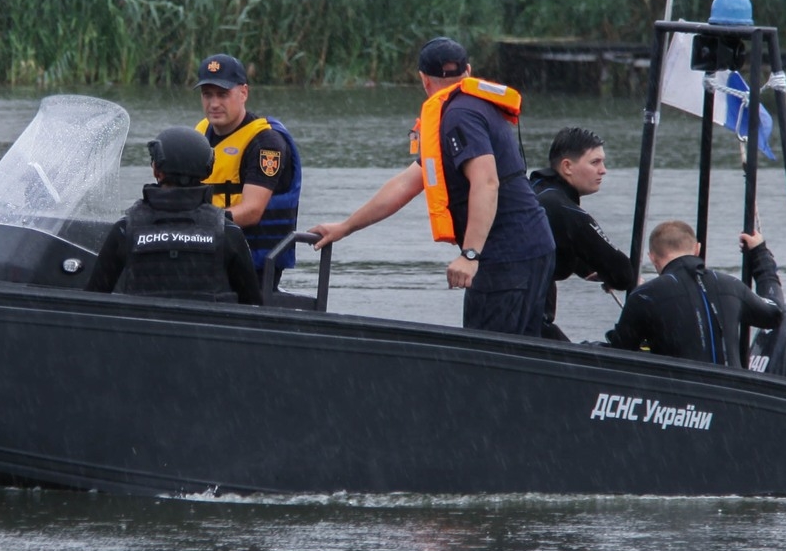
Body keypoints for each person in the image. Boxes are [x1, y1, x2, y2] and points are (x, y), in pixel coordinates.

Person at [309, 37, 554, 336]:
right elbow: (406, 184)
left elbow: (486, 182)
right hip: (530, 246)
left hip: (508, 254)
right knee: (524, 353)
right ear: (468, 70)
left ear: (424, 80)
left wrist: (470, 255)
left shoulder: (459, 115)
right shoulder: (472, 107)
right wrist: (345, 227)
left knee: (489, 357)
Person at [89, 126, 264, 305]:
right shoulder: (227, 231)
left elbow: (92, 300)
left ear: (156, 170)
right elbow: (252, 306)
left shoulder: (126, 228)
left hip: (142, 330)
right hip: (207, 330)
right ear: (208, 169)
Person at [605, 220, 781, 368]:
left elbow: (620, 354)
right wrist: (760, 254)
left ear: (652, 257)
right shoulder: (731, 285)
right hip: (731, 393)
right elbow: (774, 312)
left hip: (677, 400)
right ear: (697, 249)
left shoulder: (645, 296)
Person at [192, 53, 303, 285]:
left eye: (223, 94)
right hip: (204, 249)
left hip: (250, 261)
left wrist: (194, 222)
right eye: (207, 95)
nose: (213, 104)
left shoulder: (266, 143)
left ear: (243, 93)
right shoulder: (200, 132)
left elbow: (252, 211)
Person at [528, 126, 637, 339]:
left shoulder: (534, 190)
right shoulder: (561, 207)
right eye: (595, 162)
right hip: (527, 323)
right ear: (567, 166)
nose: (603, 170)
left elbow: (546, 245)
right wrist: (615, 276)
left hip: (500, 311)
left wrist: (584, 267)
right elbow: (623, 273)